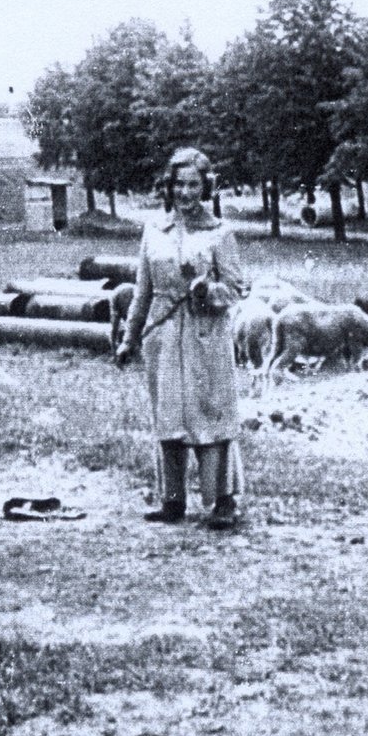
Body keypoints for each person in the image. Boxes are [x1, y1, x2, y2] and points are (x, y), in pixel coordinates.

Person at [115, 147, 246, 530]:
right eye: (179, 185)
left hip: (206, 335)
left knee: (211, 414)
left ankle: (223, 500)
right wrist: (129, 338)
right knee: (169, 416)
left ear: (206, 188)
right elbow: (142, 291)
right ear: (168, 188)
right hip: (164, 336)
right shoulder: (154, 231)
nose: (186, 193)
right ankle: (172, 500)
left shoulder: (221, 233)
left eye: (194, 185)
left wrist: (207, 291)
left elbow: (236, 290)